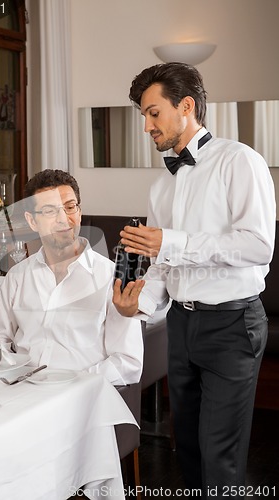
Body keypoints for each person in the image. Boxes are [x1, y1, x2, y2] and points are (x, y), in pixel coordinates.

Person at [113, 63, 276, 497]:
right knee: (185, 448)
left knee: (219, 454)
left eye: (153, 113)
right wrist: (138, 304)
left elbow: (258, 246)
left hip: (232, 326)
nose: (146, 125)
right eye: (143, 116)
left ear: (186, 106)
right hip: (180, 329)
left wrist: (172, 239)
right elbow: (164, 264)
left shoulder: (240, 160)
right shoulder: (160, 186)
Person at [0, 169, 143, 386]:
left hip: (83, 400)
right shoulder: (17, 276)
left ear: (79, 212)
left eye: (70, 207)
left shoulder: (111, 279)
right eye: (50, 211)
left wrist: (73, 386)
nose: (64, 218)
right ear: (32, 221)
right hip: (22, 394)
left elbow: (128, 364)